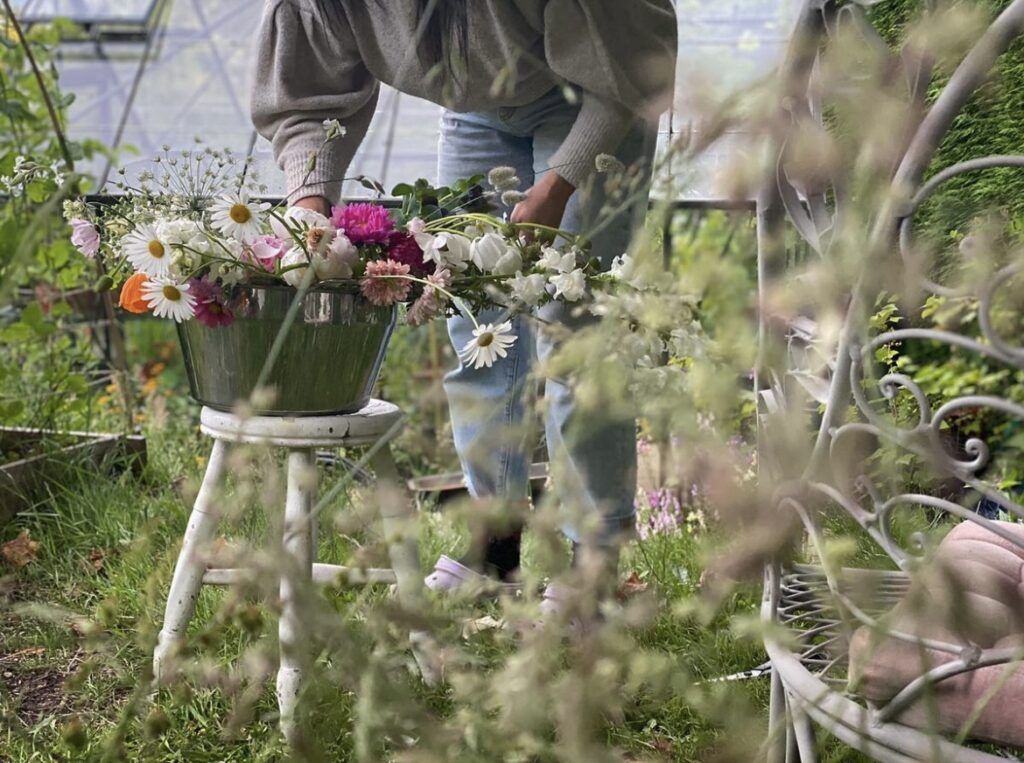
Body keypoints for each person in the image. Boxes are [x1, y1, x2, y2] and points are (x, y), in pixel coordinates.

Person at [252, 0, 677, 602]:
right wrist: (309, 205)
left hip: (596, 93)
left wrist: (561, 184)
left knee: (576, 324)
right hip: (475, 111)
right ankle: (495, 550)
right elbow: (306, 91)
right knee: (477, 321)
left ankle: (594, 564)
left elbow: (632, 61)